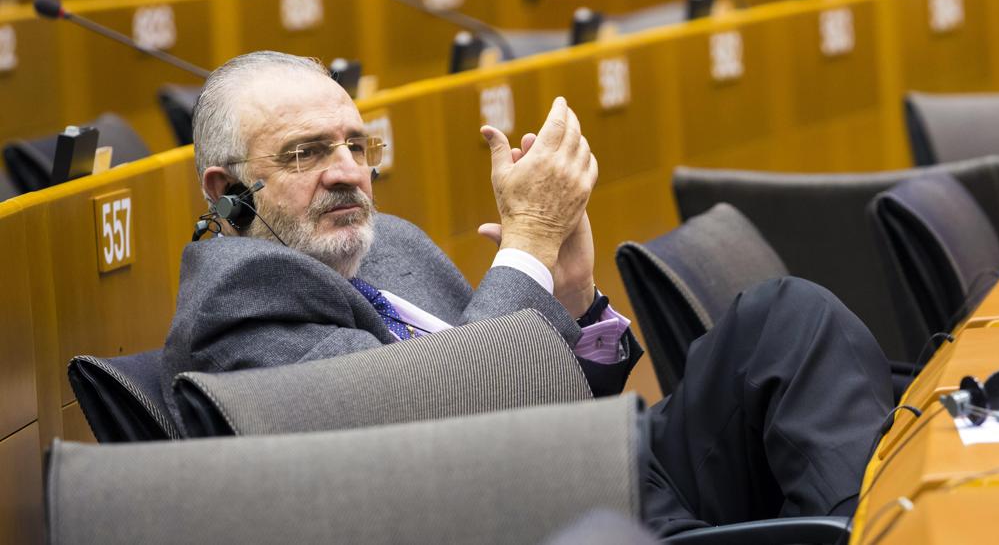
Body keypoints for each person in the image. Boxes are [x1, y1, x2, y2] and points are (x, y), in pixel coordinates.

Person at [162, 51, 892, 534]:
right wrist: (529, 249)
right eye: (306, 153)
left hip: (606, 464)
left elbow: (539, 390)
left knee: (784, 315)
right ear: (227, 193)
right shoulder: (241, 306)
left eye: (357, 145)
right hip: (541, 516)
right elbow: (453, 438)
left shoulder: (393, 246)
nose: (349, 171)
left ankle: (874, 528)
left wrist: (570, 298)